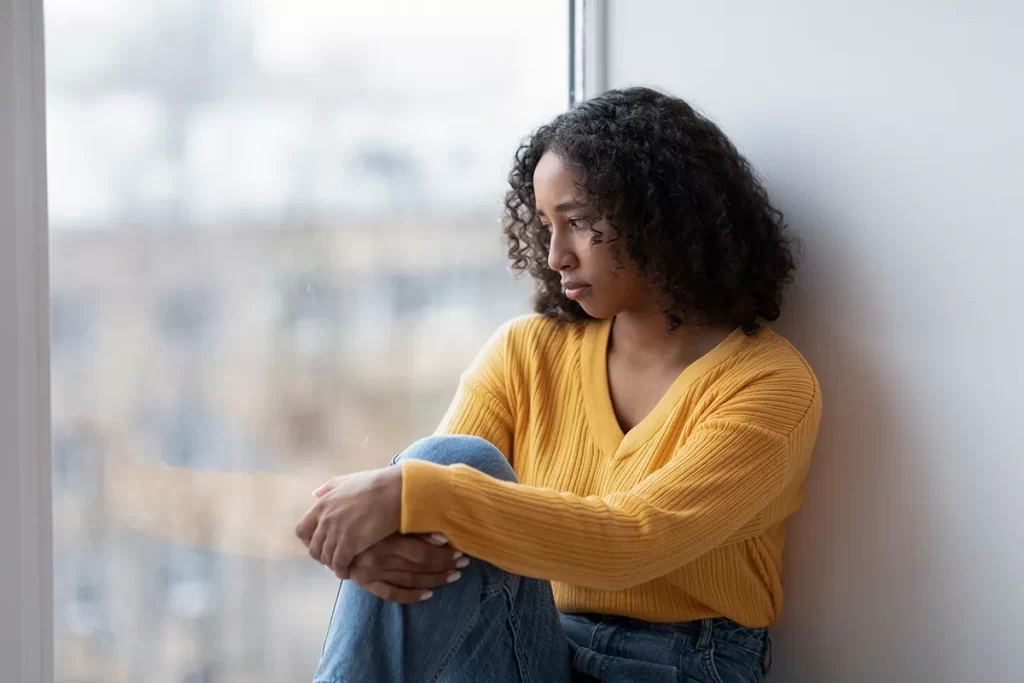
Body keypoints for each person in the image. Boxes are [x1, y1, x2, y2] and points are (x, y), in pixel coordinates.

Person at [296, 86, 821, 683]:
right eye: (546, 225)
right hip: (535, 643)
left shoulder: (769, 385)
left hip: (680, 664)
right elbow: (432, 513)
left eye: (577, 222)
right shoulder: (529, 351)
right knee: (449, 462)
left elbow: (634, 540)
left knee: (435, 480)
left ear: (661, 216)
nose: (554, 256)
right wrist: (387, 540)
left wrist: (408, 497)